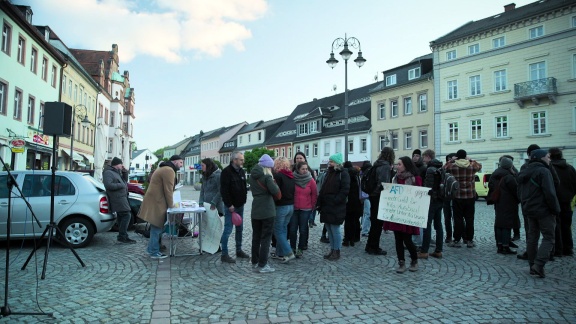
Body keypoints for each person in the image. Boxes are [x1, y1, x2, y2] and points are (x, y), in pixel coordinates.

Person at [517, 149, 560, 278]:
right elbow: (550, 193)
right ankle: (538, 264)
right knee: (549, 238)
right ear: (541, 158)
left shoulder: (524, 170)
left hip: (529, 209)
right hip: (543, 209)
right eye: (548, 157)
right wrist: (555, 209)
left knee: (532, 237)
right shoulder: (544, 171)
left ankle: (532, 265)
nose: (549, 159)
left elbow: (519, 191)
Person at [139, 155, 184, 259]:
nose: (181, 165)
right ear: (175, 161)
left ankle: (151, 249)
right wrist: (171, 205)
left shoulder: (165, 168)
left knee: (157, 227)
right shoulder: (169, 170)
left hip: (156, 201)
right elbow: (168, 190)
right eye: (180, 162)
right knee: (157, 227)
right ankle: (154, 252)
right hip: (157, 203)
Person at [384, 156, 422, 273]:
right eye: (397, 164)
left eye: (399, 164)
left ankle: (414, 260)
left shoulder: (415, 179)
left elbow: (419, 196)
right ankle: (401, 262)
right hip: (397, 213)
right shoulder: (395, 178)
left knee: (407, 239)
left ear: (405, 165)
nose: (397, 166)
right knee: (398, 239)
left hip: (408, 213)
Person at [249, 154, 281, 273]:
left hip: (256, 209)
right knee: (266, 238)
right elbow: (276, 192)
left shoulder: (252, 176)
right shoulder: (267, 177)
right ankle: (263, 265)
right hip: (267, 210)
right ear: (268, 167)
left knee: (256, 237)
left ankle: (255, 261)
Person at [446, 149, 482, 248]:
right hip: (470, 196)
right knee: (470, 219)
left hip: (457, 196)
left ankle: (457, 240)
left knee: (458, 219)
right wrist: (471, 160)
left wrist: (451, 160)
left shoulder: (453, 167)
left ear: (457, 156)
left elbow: (444, 168)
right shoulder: (471, 167)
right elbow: (479, 166)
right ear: (465, 156)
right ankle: (469, 240)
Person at [317, 153, 350, 261]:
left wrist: (336, 200)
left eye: (331, 161)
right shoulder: (328, 173)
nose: (329, 163)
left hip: (336, 206)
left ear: (336, 162)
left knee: (335, 229)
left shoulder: (343, 173)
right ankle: (332, 249)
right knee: (329, 228)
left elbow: (345, 190)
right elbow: (323, 188)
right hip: (327, 205)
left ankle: (337, 250)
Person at [220, 151, 249, 263]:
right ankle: (224, 254)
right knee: (228, 229)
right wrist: (229, 204)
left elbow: (243, 186)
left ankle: (239, 250)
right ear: (234, 160)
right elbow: (224, 190)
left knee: (240, 228)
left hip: (240, 205)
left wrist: (244, 199)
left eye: (243, 159)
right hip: (230, 207)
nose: (243, 161)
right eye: (241, 159)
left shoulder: (241, 171)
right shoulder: (226, 172)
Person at [365, 147, 395, 256]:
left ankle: (369, 245)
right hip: (378, 196)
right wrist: (379, 193)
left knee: (374, 222)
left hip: (373, 195)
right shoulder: (385, 166)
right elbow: (383, 183)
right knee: (378, 223)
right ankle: (374, 247)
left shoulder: (377, 164)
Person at [548, 147, 576, 256]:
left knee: (555, 225)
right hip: (567, 201)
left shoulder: (549, 168)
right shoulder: (570, 168)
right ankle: (568, 248)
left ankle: (558, 250)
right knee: (566, 225)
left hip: (554, 200)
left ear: (550, 156)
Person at [488, 157, 519, 255]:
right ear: (510, 165)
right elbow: (516, 190)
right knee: (506, 225)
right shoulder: (509, 176)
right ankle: (505, 246)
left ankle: (500, 245)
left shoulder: (495, 173)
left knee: (499, 223)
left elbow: (490, 186)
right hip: (508, 203)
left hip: (498, 202)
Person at [103, 157, 135, 244]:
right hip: (117, 198)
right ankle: (122, 236)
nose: (122, 166)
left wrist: (125, 172)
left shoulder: (116, 172)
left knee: (122, 216)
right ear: (117, 165)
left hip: (122, 197)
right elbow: (108, 185)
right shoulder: (108, 173)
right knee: (126, 215)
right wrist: (121, 185)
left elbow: (124, 181)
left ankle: (123, 236)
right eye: (121, 164)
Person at [418, 149, 444, 259]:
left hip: (431, 200)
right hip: (440, 200)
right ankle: (438, 250)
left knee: (427, 226)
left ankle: (424, 251)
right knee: (438, 226)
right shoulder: (441, 168)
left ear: (428, 157)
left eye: (424, 157)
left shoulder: (430, 170)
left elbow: (428, 187)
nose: (423, 160)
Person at [272, 157, 296, 263]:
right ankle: (279, 253)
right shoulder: (291, 176)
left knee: (278, 230)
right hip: (290, 206)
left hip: (281, 206)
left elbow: (276, 192)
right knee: (284, 229)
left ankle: (289, 252)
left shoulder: (278, 176)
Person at [290, 161, 317, 257]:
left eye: (306, 169)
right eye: (303, 169)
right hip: (294, 208)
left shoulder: (311, 180)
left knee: (303, 229)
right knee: (292, 229)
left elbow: (314, 194)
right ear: (298, 169)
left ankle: (300, 249)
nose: (305, 171)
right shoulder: (293, 178)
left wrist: (312, 206)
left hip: (306, 209)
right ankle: (292, 248)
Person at [342, 161, 362, 247]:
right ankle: (352, 239)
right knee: (354, 220)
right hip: (356, 201)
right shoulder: (356, 175)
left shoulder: (344, 174)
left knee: (347, 221)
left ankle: (346, 239)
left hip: (347, 201)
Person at [443, 153, 456, 243]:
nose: (450, 162)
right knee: (447, 217)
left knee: (457, 218)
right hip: (446, 196)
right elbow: (442, 169)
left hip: (455, 196)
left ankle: (459, 236)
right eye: (448, 160)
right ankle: (449, 236)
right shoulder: (445, 170)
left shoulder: (458, 169)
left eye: (451, 159)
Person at [360, 161, 372, 237]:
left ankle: (363, 227)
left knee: (364, 213)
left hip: (362, 196)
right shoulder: (367, 175)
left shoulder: (361, 174)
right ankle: (365, 230)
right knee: (367, 213)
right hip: (367, 196)